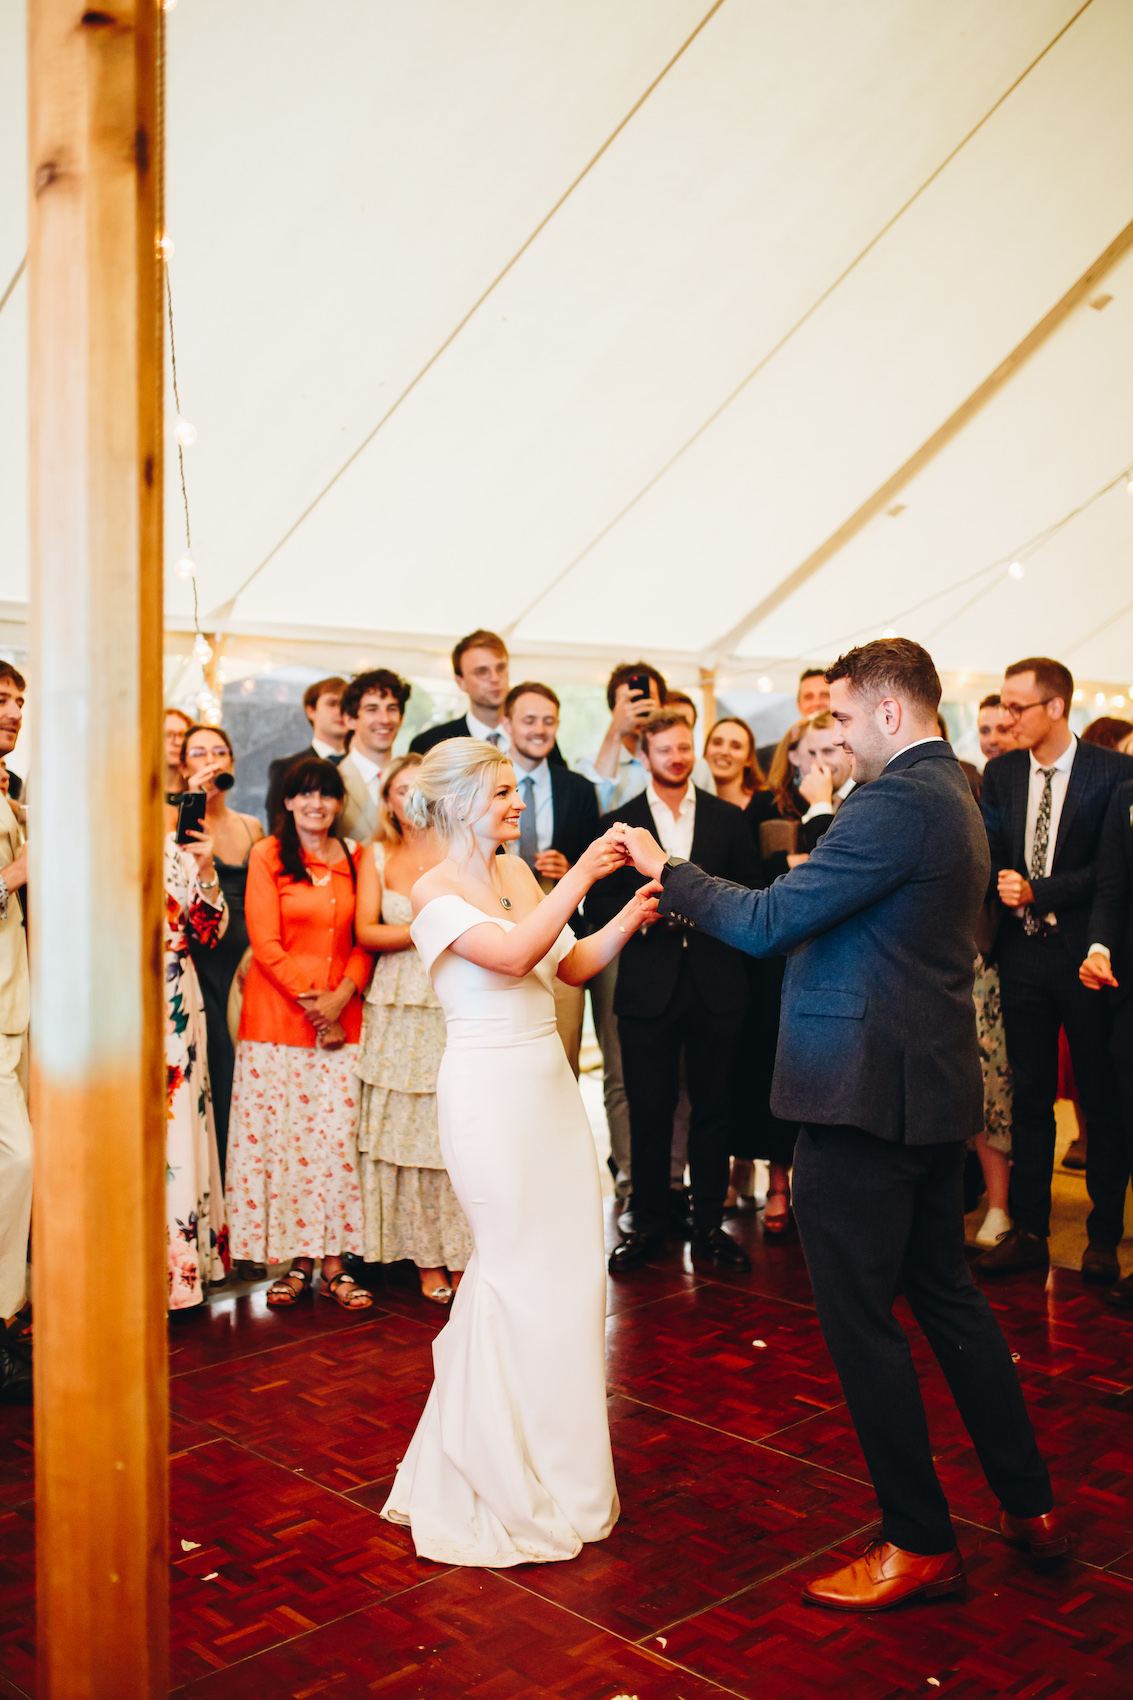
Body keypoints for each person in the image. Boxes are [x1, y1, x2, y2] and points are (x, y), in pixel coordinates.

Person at [615, 638, 1065, 1609]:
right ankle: (1027, 1503)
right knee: (945, 1300)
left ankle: (919, 1538)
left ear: (890, 715)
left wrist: (669, 868)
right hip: (917, 1087)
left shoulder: (896, 798)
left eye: (845, 720)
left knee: (861, 1323)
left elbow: (772, 919)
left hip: (860, 1094)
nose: (834, 737)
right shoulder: (954, 790)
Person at [380, 739, 659, 1566]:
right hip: (489, 1097)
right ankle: (489, 1471)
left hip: (547, 1089)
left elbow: (565, 963)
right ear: (461, 799)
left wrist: (625, 916)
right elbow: (507, 956)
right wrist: (580, 875)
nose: (515, 804)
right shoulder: (426, 890)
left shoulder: (514, 875)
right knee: (513, 1273)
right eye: (501, 792)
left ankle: (560, 1468)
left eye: (513, 791)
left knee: (570, 1273)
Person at [591, 709, 762, 1273]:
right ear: (644, 756)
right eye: (664, 749)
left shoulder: (727, 818)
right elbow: (598, 905)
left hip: (717, 982)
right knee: (648, 1108)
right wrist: (639, 916)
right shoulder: (619, 824)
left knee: (715, 1107)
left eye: (684, 746)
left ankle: (710, 1225)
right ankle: (647, 1224)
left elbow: (749, 893)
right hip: (647, 984)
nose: (677, 757)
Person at [979, 657, 1133, 1281]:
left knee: (1100, 1099)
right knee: (1030, 1098)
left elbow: (1111, 874)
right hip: (1020, 958)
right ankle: (1033, 1230)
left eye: (1017, 707)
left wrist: (1040, 890)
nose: (1006, 717)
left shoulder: (1113, 771)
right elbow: (989, 854)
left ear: (1056, 708)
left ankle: (1102, 1235)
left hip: (1086, 956)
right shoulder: (1002, 772)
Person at [226, 758, 374, 1311]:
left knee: (335, 1148)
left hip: (346, 1023)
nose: (316, 804)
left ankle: (334, 1266)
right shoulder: (266, 854)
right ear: (288, 802)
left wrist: (343, 996)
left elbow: (366, 937)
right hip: (275, 1026)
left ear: (340, 804)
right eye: (305, 795)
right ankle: (295, 1264)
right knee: (285, 1149)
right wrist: (320, 1009)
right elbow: (264, 943)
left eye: (327, 795)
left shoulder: (358, 858)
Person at [353, 754, 472, 1304]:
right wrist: (427, 926)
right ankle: (426, 1256)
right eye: (399, 790)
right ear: (388, 800)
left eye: (418, 789)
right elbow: (367, 931)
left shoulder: (460, 848)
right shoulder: (374, 855)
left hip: (452, 992)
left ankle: (468, 1249)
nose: (410, 799)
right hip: (399, 1002)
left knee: (457, 1126)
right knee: (410, 1133)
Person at [501, 682, 601, 1073]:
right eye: (529, 720)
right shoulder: (481, 783)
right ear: (507, 724)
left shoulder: (578, 789)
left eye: (548, 721)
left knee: (561, 1060)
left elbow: (598, 872)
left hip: (560, 931)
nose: (539, 730)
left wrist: (572, 871)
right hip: (498, 921)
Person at [179, 723, 264, 1181]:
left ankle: (236, 1190)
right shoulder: (171, 817)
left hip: (243, 956)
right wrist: (188, 804)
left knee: (236, 1070)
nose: (211, 759)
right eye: (199, 752)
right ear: (184, 764)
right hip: (195, 954)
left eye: (220, 751)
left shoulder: (251, 825)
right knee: (208, 1063)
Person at [165, 819, 230, 1311]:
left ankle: (178, 1274)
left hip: (175, 1005)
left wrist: (204, 867)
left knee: (178, 1132)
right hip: (105, 994)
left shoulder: (175, 849)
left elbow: (209, 932)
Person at [1080, 774, 1133, 1305]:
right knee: (1117, 1115)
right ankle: (1106, 1237)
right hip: (1127, 991)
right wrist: (1099, 948)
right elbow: (1114, 888)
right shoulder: (1127, 794)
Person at [970, 695, 1016, 1247]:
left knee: (993, 1090)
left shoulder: (994, 793)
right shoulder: (962, 779)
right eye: (984, 728)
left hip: (993, 962)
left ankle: (1002, 1203)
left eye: (1002, 726)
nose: (993, 736)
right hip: (958, 960)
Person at [0, 664, 31, 1401]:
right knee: (17, 1160)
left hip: (22, 1009)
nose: (12, 714)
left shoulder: (16, 793)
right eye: (1, 701)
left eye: (19, 703)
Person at [338, 667, 412, 845]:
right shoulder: (335, 781)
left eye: (392, 709)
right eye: (372, 709)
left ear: (401, 718)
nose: (385, 719)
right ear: (350, 720)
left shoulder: (419, 779)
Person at [264, 676, 348, 828]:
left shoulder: (362, 766)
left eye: (346, 705)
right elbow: (277, 829)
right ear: (311, 710)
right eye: (332, 703)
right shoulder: (286, 768)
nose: (340, 711)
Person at [409, 630, 512, 754]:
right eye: (482, 671)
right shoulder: (433, 744)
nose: (495, 678)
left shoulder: (535, 739)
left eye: (501, 668)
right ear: (460, 682)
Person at [755, 666, 830, 772]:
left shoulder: (849, 747)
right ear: (799, 705)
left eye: (824, 695)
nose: (816, 703)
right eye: (809, 697)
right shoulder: (772, 755)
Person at [703, 716, 764, 807]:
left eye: (736, 746)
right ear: (705, 752)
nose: (724, 751)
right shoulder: (690, 803)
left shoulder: (768, 805)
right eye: (717, 743)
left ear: (749, 759)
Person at [163, 706, 193, 804]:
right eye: (168, 735)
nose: (177, 742)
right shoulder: (137, 790)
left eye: (182, 735)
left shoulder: (196, 788)